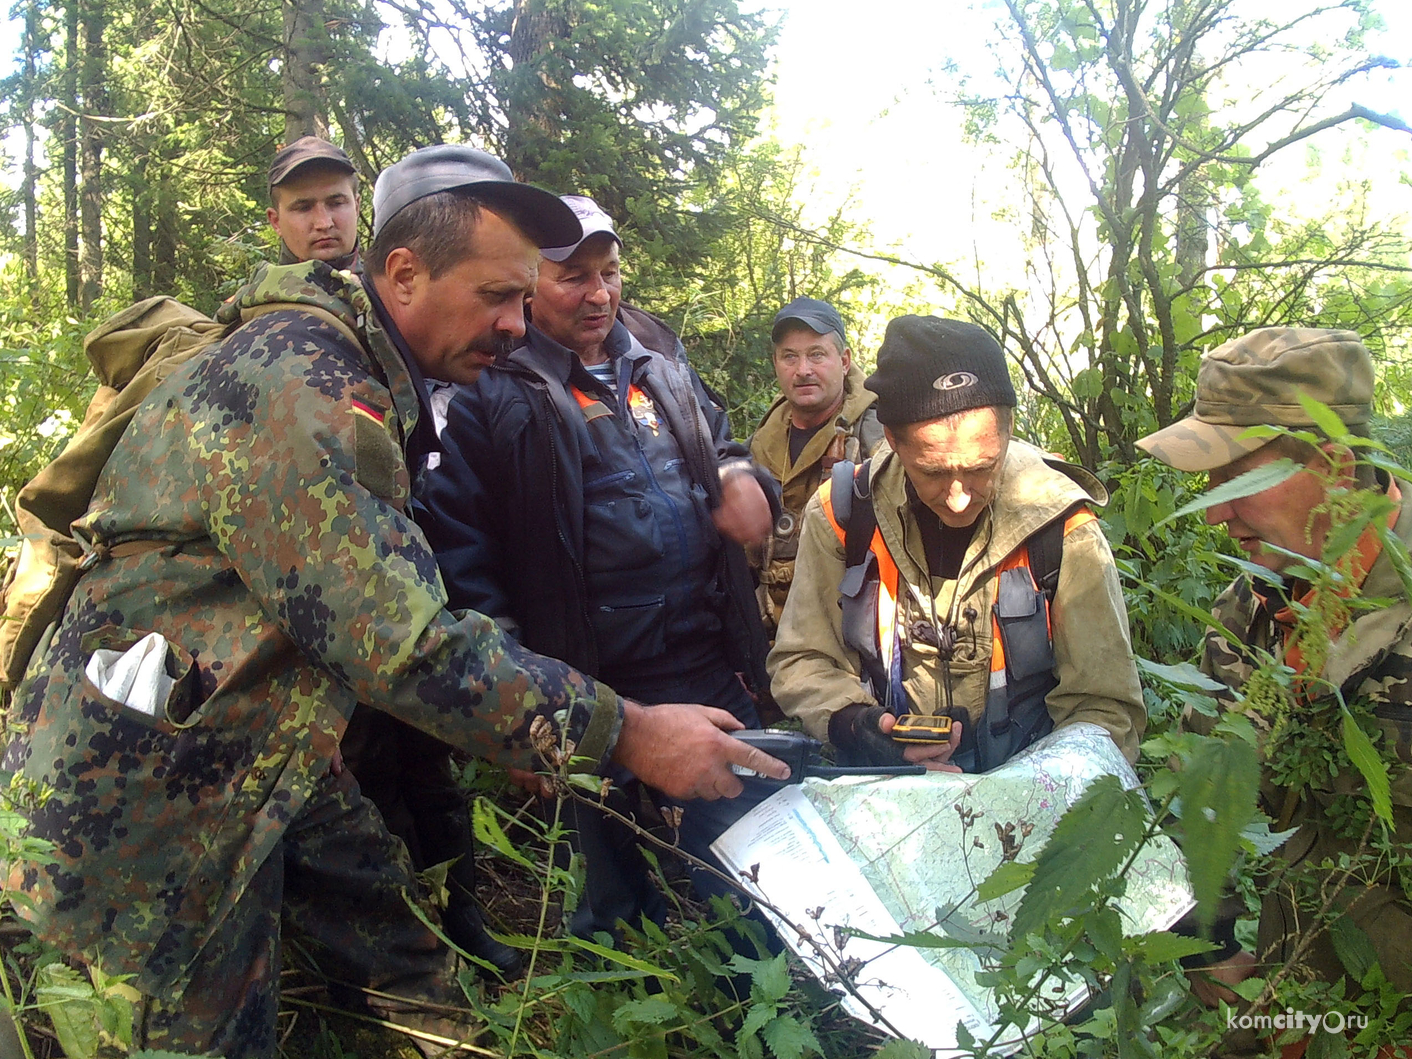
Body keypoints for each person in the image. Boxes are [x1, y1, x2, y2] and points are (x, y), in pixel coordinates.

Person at [4, 146, 787, 1059]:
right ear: (404, 273)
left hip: (274, 750)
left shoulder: (368, 371)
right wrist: (631, 734)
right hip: (142, 795)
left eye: (524, 302)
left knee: (416, 993)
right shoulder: (304, 387)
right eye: (497, 297)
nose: (513, 325)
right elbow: (399, 642)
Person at [417, 194, 778, 938]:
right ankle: (621, 1008)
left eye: (609, 272)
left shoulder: (653, 352)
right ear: (528, 283)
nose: (599, 294)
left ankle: (750, 989)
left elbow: (722, 438)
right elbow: (465, 556)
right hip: (590, 682)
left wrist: (744, 478)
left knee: (754, 864)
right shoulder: (491, 385)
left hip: (706, 659)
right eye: (573, 276)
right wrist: (523, 718)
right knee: (609, 897)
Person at [266, 136, 523, 979]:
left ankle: (459, 917)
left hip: (428, 601)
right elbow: (300, 562)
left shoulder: (420, 339)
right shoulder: (303, 360)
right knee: (371, 791)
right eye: (302, 206)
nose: (322, 221)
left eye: (335, 201)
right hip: (362, 625)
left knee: (433, 776)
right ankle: (402, 968)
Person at [1136, 328, 1412, 1015]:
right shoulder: (1253, 603)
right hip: (1307, 998)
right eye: (1210, 481)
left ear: (1338, 468)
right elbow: (1208, 786)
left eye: (1242, 479)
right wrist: (1208, 941)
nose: (1217, 510)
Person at [770, 315, 1145, 774]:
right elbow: (803, 658)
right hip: (890, 789)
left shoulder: (1061, 525)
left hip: (1033, 797)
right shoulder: (843, 514)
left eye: (981, 467)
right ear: (891, 440)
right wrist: (859, 727)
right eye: (933, 471)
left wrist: (1032, 798)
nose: (959, 495)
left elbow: (1105, 709)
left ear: (1008, 433)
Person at [749, 297, 884, 636]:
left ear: (844, 360)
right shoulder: (763, 439)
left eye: (816, 354)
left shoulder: (878, 436)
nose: (803, 370)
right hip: (771, 635)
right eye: (789, 357)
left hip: (850, 635)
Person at [265, 135, 362, 269]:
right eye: (304, 208)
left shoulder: (391, 287)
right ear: (276, 222)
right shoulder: (261, 290)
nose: (324, 223)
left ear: (356, 208)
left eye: (336, 203)